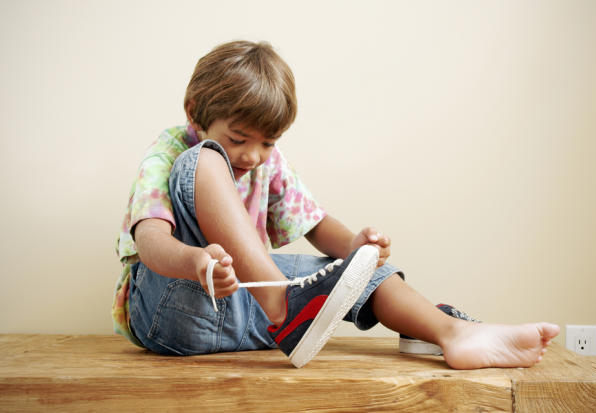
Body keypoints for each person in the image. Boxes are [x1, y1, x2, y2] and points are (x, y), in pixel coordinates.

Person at [112, 40, 559, 369]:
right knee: (203, 160)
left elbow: (315, 222)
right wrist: (196, 262)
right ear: (195, 112)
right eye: (238, 139)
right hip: (175, 310)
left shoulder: (269, 161)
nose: (252, 156)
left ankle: (456, 335)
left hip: (253, 315)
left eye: (268, 142)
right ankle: (284, 307)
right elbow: (150, 241)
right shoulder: (172, 152)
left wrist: (356, 247)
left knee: (359, 270)